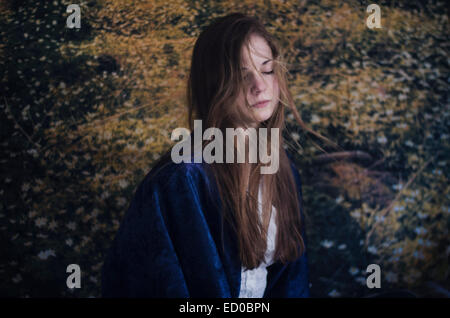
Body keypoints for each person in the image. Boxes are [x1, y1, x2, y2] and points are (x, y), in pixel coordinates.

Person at [102, 12, 323, 298]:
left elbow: (292, 281)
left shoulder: (283, 169)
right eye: (243, 76)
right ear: (215, 85)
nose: (260, 86)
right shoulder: (182, 179)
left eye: (267, 70)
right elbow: (146, 284)